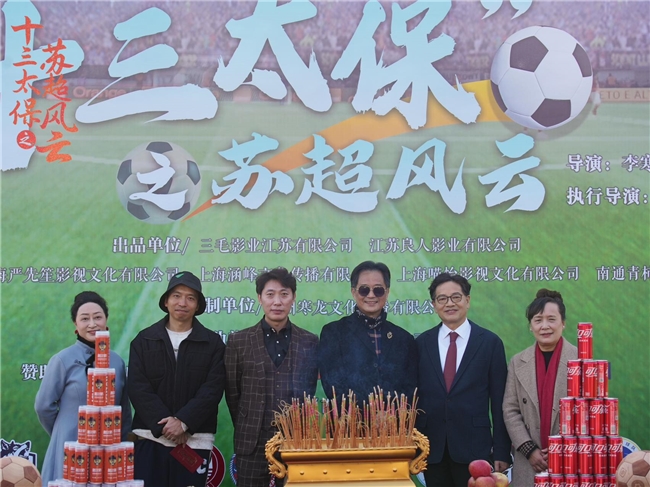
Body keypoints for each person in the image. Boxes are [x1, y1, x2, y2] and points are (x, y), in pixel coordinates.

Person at [127, 271, 226, 487]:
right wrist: (167, 426)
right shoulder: (144, 340)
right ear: (166, 301)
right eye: (176, 296)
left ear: (198, 305)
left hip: (194, 443)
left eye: (190, 298)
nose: (182, 303)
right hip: (149, 439)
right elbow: (137, 387)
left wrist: (183, 422)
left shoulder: (213, 343)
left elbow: (212, 389)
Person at [225, 267, 318, 487]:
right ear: (260, 298)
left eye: (284, 294)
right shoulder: (239, 341)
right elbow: (233, 394)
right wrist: (250, 422)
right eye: (270, 294)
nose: (277, 301)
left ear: (293, 298)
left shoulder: (309, 341)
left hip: (295, 441)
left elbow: (309, 390)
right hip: (251, 442)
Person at [416, 273, 510, 487]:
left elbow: (499, 401)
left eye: (456, 297)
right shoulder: (421, 344)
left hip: (475, 450)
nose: (449, 303)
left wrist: (502, 450)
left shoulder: (490, 343)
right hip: (432, 451)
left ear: (467, 300)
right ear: (434, 305)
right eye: (442, 299)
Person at [35, 291, 132, 485]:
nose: (92, 324)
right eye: (85, 318)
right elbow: (43, 406)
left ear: (106, 320)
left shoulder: (117, 362)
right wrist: (64, 431)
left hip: (106, 452)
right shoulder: (62, 360)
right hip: (70, 448)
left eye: (98, 317)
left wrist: (115, 443)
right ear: (75, 324)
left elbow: (123, 411)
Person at [503, 289, 578, 486]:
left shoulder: (581, 360)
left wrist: (561, 447)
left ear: (563, 323)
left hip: (570, 460)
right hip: (529, 462)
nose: (545, 326)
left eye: (551, 319)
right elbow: (510, 409)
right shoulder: (518, 362)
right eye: (538, 320)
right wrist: (529, 449)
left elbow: (589, 412)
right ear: (531, 326)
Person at [318, 261, 417, 402]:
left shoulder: (404, 339)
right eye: (364, 290)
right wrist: (367, 410)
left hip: (394, 415)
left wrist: (387, 411)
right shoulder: (333, 333)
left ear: (387, 292)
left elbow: (410, 388)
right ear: (353, 292)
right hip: (348, 415)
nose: (371, 295)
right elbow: (332, 385)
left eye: (378, 290)